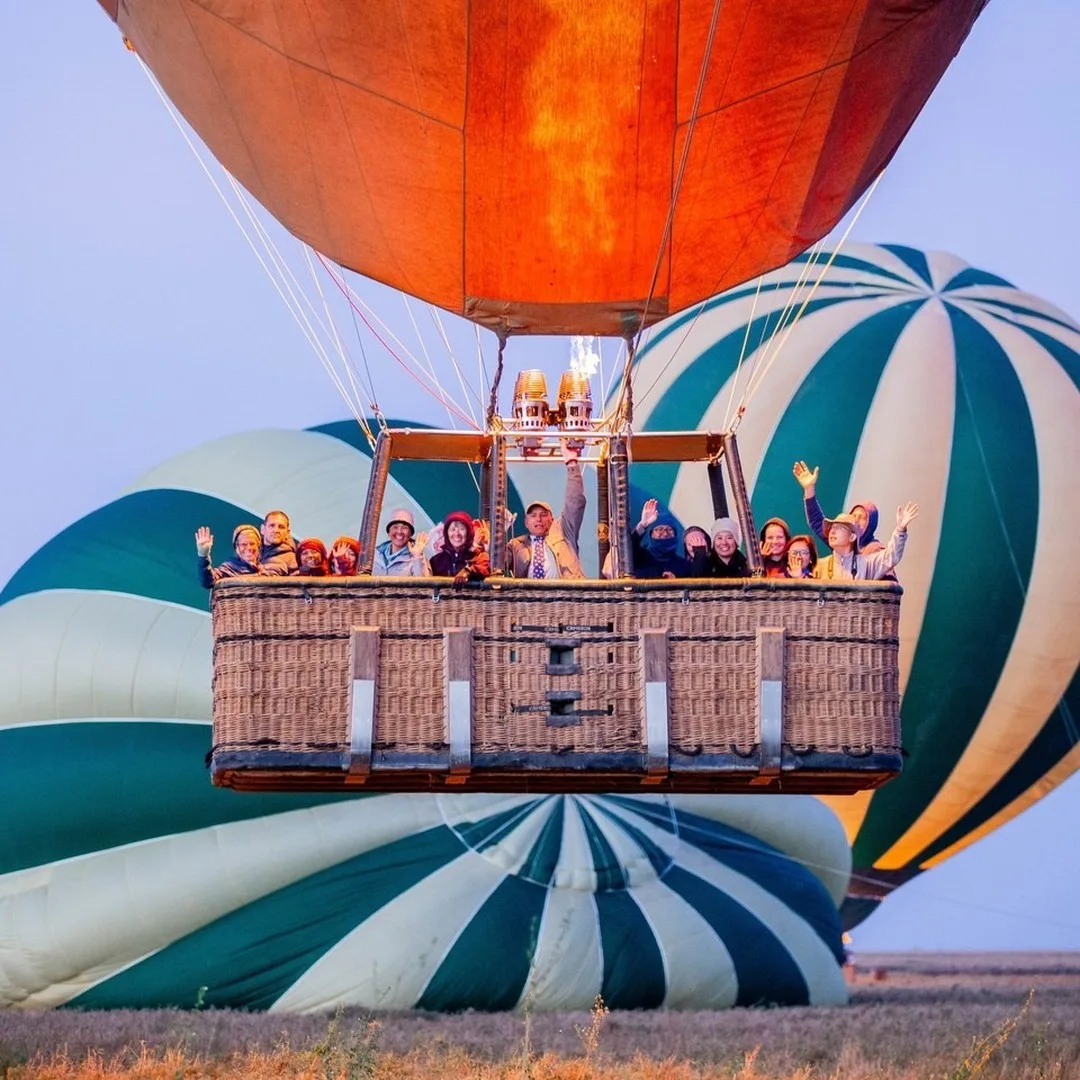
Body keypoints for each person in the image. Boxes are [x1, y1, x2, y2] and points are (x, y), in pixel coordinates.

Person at [505, 444, 585, 579]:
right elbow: (497, 564)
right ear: (526, 522)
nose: (538, 519)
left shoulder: (564, 532)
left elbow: (575, 502)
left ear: (552, 519)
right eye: (533, 515)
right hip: (528, 598)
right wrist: (500, 531)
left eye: (543, 515)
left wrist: (572, 463)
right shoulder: (516, 545)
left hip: (565, 597)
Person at [792, 462, 886, 555]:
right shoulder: (843, 542)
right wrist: (809, 489)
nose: (856, 519)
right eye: (853, 515)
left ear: (871, 525)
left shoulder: (875, 550)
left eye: (862, 517)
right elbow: (816, 521)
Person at [814, 503, 919, 581]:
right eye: (832, 527)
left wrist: (900, 529)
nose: (832, 531)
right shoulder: (820, 566)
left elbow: (891, 555)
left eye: (839, 527)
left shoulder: (866, 564)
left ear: (852, 537)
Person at [631, 499, 703, 579]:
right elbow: (628, 547)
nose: (665, 533)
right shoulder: (640, 557)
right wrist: (643, 524)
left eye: (669, 529)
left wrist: (676, 583)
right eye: (659, 529)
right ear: (651, 534)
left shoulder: (684, 566)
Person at [430, 510, 490, 583]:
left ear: (469, 533)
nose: (456, 533)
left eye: (462, 529)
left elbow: (486, 568)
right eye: (452, 529)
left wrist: (468, 571)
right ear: (446, 533)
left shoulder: (479, 556)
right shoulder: (436, 561)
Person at [195, 524, 262, 588]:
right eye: (244, 544)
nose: (249, 548)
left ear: (258, 546)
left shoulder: (264, 571)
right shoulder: (228, 570)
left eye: (252, 543)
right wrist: (203, 555)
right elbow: (207, 581)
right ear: (237, 548)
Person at [372, 508, 431, 577]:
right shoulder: (375, 555)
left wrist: (418, 556)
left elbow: (424, 584)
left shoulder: (418, 558)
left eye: (404, 528)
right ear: (389, 532)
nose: (399, 532)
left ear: (411, 533)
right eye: (395, 527)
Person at [259, 510, 298, 576]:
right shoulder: (250, 554)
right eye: (272, 525)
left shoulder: (293, 560)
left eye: (281, 527)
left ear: (287, 533)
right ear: (262, 529)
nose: (276, 530)